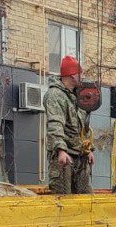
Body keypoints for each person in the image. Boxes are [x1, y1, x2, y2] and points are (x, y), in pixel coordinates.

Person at [44, 55, 94, 195]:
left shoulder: (76, 97)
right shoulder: (55, 95)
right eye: (81, 73)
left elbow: (83, 127)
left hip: (80, 156)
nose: (83, 76)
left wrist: (88, 149)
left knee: (86, 201)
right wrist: (61, 150)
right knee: (63, 200)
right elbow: (55, 124)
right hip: (65, 158)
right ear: (72, 75)